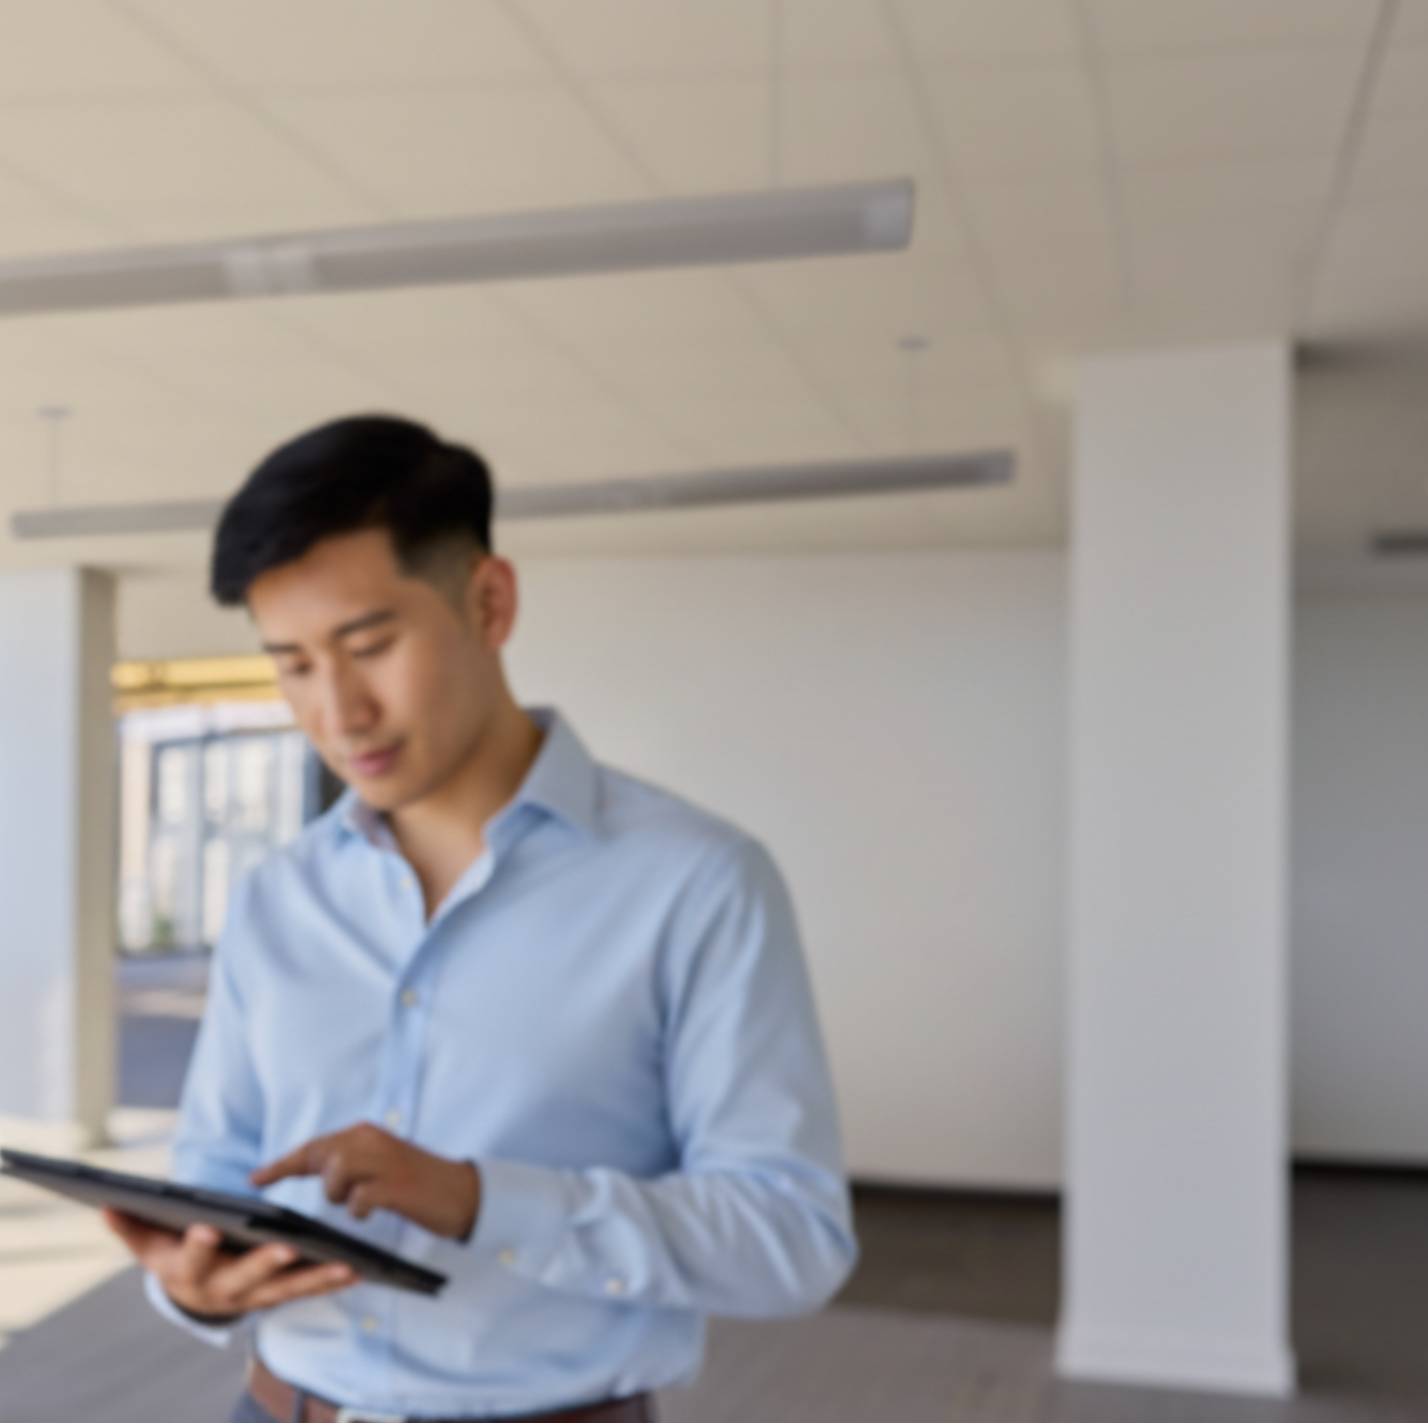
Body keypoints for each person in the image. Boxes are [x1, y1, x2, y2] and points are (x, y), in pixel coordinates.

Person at [100, 415, 859, 1423]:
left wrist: (479, 1199)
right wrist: (191, 1280)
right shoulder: (277, 897)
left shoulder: (697, 883)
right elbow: (215, 1167)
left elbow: (791, 1238)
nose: (338, 710)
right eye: (291, 664)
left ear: (489, 600)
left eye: (368, 645)